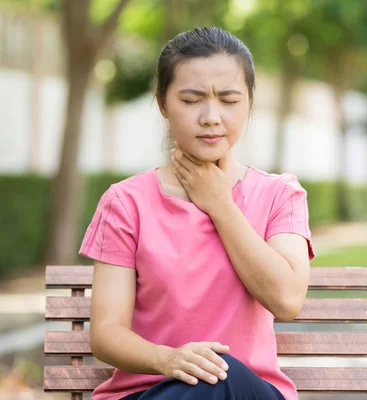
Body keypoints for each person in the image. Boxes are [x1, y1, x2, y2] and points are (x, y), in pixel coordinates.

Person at [79, 27, 315, 400]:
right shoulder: (126, 203)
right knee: (206, 378)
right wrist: (169, 360)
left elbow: (286, 300)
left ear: (249, 103)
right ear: (162, 104)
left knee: (221, 373)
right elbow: (106, 334)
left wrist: (220, 204)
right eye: (191, 100)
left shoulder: (279, 195)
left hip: (248, 393)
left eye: (229, 100)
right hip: (151, 392)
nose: (210, 117)